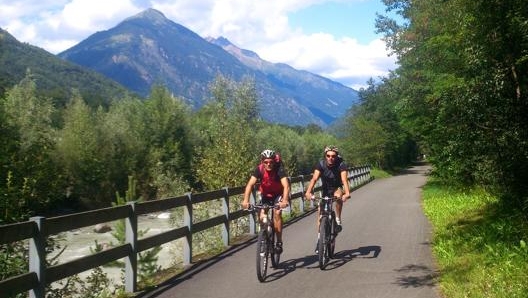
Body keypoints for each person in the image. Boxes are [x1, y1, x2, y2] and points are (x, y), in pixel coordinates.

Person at [242, 149, 290, 254]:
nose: (269, 164)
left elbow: (286, 186)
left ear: (274, 161)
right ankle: (264, 235)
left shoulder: (279, 169)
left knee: (277, 213)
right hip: (266, 195)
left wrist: (285, 200)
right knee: (262, 216)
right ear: (262, 162)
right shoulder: (259, 170)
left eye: (271, 162)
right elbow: (250, 185)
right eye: (266, 162)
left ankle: (279, 242)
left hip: (278, 195)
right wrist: (246, 200)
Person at [304, 145, 351, 252]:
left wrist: (347, 193)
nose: (331, 158)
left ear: (336, 156)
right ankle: (319, 239)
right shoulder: (321, 164)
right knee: (320, 213)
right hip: (326, 189)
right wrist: (308, 191)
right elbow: (314, 178)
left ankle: (338, 219)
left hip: (336, 187)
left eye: (333, 156)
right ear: (325, 156)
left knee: (338, 196)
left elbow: (344, 180)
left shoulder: (341, 164)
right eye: (328, 156)